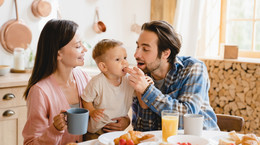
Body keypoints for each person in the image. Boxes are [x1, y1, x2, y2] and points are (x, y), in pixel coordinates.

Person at [126, 20, 219, 131]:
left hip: (202, 140)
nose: (136, 54)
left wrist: (147, 91)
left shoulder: (193, 68)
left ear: (166, 53)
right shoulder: (141, 76)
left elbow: (186, 118)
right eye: (137, 47)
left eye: (145, 49)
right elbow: (143, 131)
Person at [22, 19, 91, 145]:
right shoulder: (40, 92)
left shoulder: (84, 78)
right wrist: (55, 130)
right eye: (78, 46)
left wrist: (123, 120)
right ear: (58, 53)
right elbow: (30, 143)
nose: (85, 50)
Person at [81, 39, 136, 139]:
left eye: (125, 57)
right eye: (118, 59)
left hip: (118, 130)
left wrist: (145, 81)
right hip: (96, 131)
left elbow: (139, 91)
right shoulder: (96, 82)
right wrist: (92, 111)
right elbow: (86, 99)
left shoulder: (128, 80)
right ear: (104, 66)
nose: (125, 62)